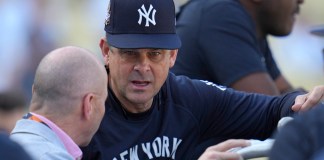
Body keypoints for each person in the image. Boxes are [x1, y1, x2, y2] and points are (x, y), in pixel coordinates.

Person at [81, 0, 324, 159]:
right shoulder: (82, 109)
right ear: (106, 52)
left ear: (172, 56)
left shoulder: (187, 97)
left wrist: (303, 103)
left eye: (155, 54)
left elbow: (272, 108)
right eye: (129, 53)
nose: (143, 67)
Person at [171, 0, 304, 95]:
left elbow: (285, 91)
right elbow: (273, 111)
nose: (301, 1)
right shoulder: (220, 14)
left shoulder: (252, 24)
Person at [10, 46, 108, 160]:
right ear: (89, 105)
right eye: (103, 101)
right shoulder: (51, 156)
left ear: (34, 92)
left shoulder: (11, 145)